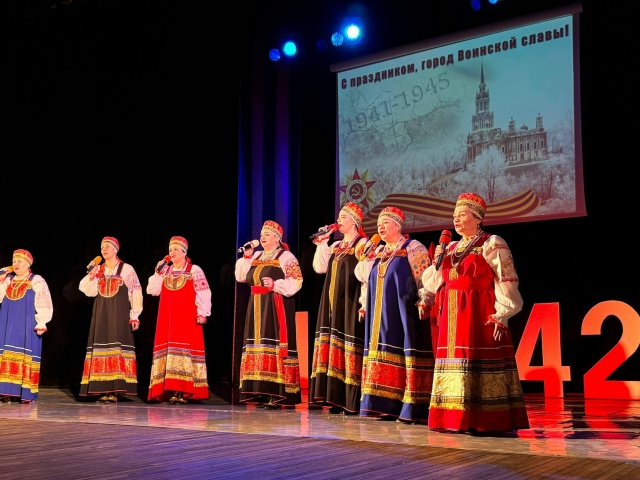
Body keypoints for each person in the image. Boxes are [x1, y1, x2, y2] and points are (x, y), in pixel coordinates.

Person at [420, 192, 530, 434]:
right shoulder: (450, 247)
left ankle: (484, 419)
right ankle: (450, 417)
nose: (456, 219)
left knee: (477, 357)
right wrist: (427, 296)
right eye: (454, 215)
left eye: (462, 214)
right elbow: (435, 280)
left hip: (478, 309)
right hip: (450, 311)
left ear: (478, 218)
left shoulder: (492, 243)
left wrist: (503, 312)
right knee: (453, 359)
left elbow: (505, 278)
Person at [354, 206, 433, 424]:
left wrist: (425, 300)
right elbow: (365, 280)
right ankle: (381, 404)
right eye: (379, 223)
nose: (380, 227)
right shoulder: (378, 251)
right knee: (379, 350)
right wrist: (364, 304)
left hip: (403, 312)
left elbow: (424, 277)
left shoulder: (413, 247)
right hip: (378, 315)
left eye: (385, 223)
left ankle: (409, 407)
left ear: (398, 225)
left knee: (402, 348)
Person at [235, 220, 303, 409]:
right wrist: (246, 257)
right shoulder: (256, 255)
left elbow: (297, 280)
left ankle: (277, 392)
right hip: (255, 306)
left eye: (267, 234)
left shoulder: (286, 256)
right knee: (257, 344)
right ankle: (261, 390)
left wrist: (276, 285)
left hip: (275, 305)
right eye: (261, 234)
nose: (262, 237)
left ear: (277, 238)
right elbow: (241, 277)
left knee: (273, 344)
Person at [308, 202, 368, 415]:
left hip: (350, 301)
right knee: (331, 341)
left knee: (348, 341)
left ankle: (350, 400)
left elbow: (365, 276)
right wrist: (322, 243)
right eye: (339, 217)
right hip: (332, 302)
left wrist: (364, 303)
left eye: (343, 217)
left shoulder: (362, 244)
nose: (338, 220)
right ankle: (333, 397)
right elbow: (319, 268)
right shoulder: (336, 245)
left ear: (355, 221)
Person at [147, 236, 211, 404]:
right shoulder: (165, 271)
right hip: (167, 318)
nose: (172, 252)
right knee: (169, 350)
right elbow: (152, 290)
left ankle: (184, 390)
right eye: (170, 250)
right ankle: (170, 390)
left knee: (185, 350)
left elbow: (203, 291)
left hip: (187, 317)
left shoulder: (193, 270)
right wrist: (157, 272)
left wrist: (203, 312)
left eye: (175, 249)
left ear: (184, 252)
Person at [78, 236, 142, 403]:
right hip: (101, 314)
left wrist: (135, 315)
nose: (104, 249)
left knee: (116, 346)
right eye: (102, 247)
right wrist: (92, 274)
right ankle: (103, 388)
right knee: (101, 346)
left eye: (107, 246)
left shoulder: (126, 269)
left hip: (119, 314)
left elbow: (135, 291)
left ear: (115, 249)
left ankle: (115, 389)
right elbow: (88, 291)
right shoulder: (99, 270)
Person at [0, 249, 53, 403]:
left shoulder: (36, 280)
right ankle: (4, 391)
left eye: (19, 261)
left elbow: (44, 300)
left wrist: (42, 321)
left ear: (27, 264)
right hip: (7, 323)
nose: (15, 264)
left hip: (26, 324)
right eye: (14, 261)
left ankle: (23, 392)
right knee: (4, 353)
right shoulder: (8, 280)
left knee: (24, 354)